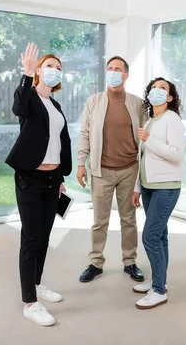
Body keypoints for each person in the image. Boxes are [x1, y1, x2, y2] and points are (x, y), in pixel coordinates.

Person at [5, 43, 72, 326]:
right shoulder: (30, 98)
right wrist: (25, 73)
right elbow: (17, 107)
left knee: (45, 237)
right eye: (49, 66)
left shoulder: (55, 106)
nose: (54, 71)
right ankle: (29, 303)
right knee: (31, 239)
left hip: (51, 180)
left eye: (58, 68)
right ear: (38, 71)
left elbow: (59, 142)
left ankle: (37, 284)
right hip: (30, 179)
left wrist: (60, 179)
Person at [77, 56, 147, 283]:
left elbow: (145, 137)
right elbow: (85, 133)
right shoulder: (94, 101)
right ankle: (96, 262)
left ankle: (130, 262)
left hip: (129, 169)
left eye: (118, 69)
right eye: (110, 68)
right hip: (102, 170)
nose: (113, 72)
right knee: (100, 220)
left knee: (129, 219)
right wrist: (81, 163)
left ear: (126, 75)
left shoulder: (137, 103)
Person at [130, 77, 185, 310]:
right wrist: (136, 187)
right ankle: (158, 280)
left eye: (163, 88)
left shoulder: (172, 119)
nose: (157, 90)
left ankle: (160, 291)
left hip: (167, 186)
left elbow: (176, 154)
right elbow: (141, 158)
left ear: (170, 97)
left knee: (150, 237)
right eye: (154, 87)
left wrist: (149, 140)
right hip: (149, 186)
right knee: (160, 237)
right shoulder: (151, 120)